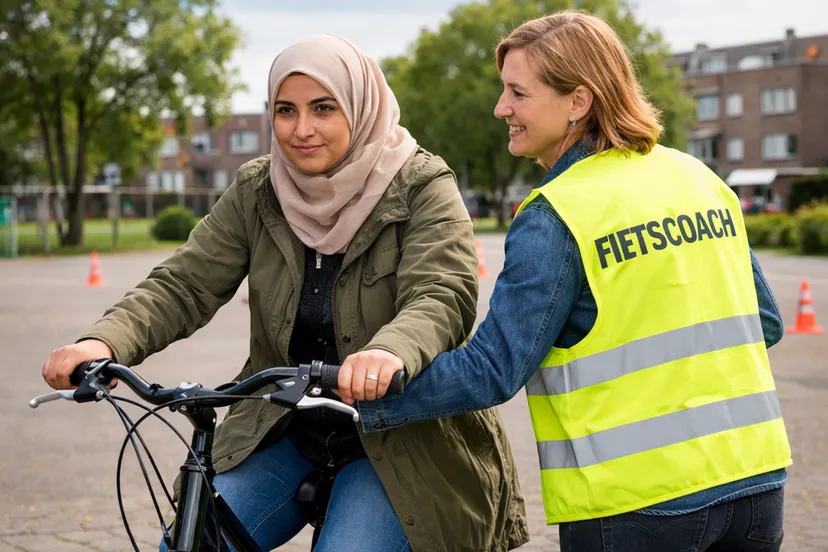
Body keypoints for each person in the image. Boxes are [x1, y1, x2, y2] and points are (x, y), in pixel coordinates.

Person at [40, 34, 529, 552]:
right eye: (285, 110)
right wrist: (104, 343)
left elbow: (441, 293)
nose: (302, 129)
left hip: (399, 436)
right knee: (193, 541)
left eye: (323, 108)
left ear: (361, 107)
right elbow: (184, 283)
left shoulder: (422, 186)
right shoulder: (258, 190)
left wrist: (390, 351)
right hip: (283, 428)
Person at [350, 11, 793, 552]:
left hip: (637, 503)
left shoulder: (556, 211)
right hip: (755, 482)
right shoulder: (698, 177)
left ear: (578, 102)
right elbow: (764, 324)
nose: (501, 109)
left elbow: (494, 368)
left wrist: (360, 397)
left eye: (517, 93)